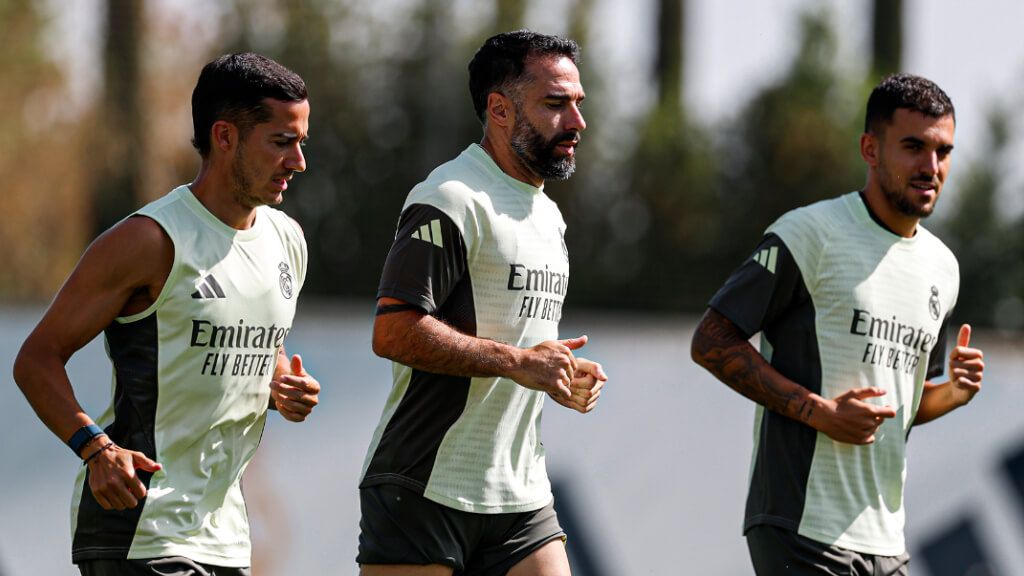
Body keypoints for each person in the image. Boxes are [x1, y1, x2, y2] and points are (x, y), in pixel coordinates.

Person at [13, 52, 321, 576]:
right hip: (140, 528)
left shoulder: (286, 241)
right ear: (225, 137)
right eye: (280, 142)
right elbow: (36, 359)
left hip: (224, 536)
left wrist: (277, 384)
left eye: (301, 143)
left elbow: (254, 344)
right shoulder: (148, 239)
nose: (298, 161)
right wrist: (96, 449)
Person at [691, 73, 985, 575]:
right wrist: (817, 411)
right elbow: (711, 341)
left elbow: (899, 409)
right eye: (913, 147)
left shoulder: (943, 268)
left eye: (943, 151)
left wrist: (951, 393)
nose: (931, 167)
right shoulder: (811, 232)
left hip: (886, 538)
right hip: (799, 524)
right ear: (870, 148)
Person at [358, 30, 608, 576]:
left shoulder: (549, 215)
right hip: (425, 483)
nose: (576, 123)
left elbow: (516, 349)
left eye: (578, 104)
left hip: (520, 493)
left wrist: (555, 372)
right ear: (499, 108)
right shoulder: (451, 197)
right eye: (555, 104)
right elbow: (394, 331)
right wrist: (520, 363)